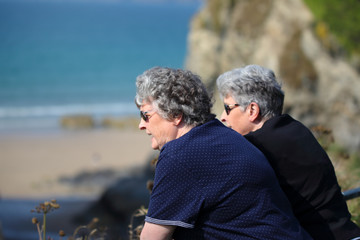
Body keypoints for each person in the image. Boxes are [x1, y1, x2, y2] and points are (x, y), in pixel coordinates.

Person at [135, 66, 311, 240]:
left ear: (175, 115)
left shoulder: (178, 155)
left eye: (146, 116)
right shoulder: (227, 135)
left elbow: (152, 237)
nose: (141, 125)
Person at [216, 64, 360, 240]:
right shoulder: (296, 129)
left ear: (252, 110)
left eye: (228, 107)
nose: (222, 116)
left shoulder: (255, 146)